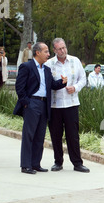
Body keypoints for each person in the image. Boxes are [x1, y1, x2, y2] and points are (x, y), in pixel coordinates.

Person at [13, 42, 67, 174]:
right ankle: (26, 165)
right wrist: (26, 103)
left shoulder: (47, 69)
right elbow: (19, 87)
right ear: (37, 52)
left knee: (40, 136)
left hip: (44, 105)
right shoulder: (26, 66)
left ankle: (36, 164)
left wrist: (62, 83)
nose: (49, 54)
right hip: (32, 103)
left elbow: (52, 85)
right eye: (46, 51)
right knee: (29, 135)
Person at [45, 38, 89, 173]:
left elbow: (83, 78)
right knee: (56, 135)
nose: (63, 51)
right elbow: (47, 83)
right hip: (55, 105)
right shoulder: (49, 64)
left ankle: (77, 163)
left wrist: (75, 87)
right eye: (59, 49)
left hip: (71, 103)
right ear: (54, 50)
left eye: (64, 47)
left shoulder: (75, 61)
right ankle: (58, 162)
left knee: (73, 135)